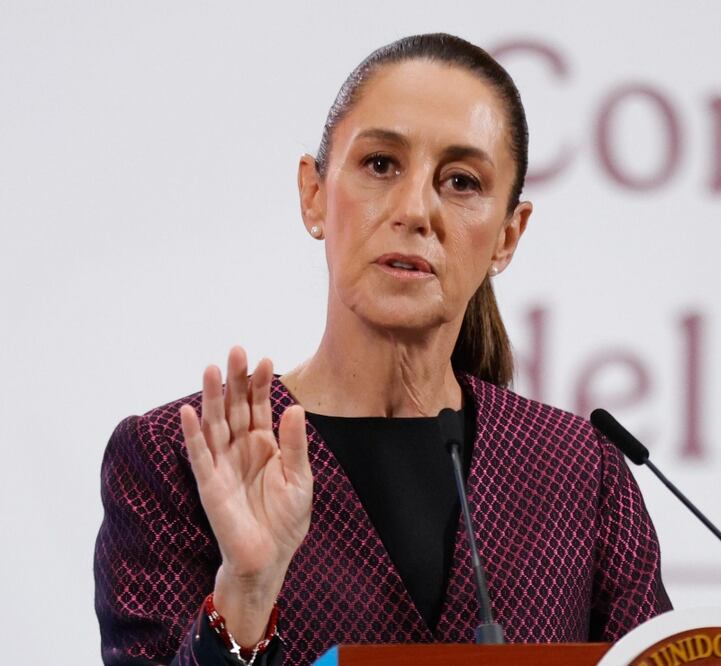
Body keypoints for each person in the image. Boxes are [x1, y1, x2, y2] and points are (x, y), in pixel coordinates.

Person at [94, 33, 671, 666]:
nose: (416, 209)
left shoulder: (578, 474)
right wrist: (248, 593)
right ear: (314, 194)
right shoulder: (179, 459)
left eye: (460, 180)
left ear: (508, 236)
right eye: (380, 165)